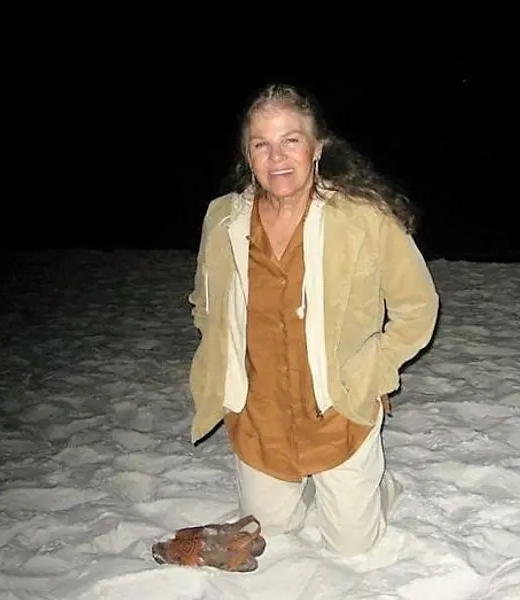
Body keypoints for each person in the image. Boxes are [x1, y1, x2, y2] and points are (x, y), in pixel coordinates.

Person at [186, 83, 439, 557]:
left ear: (317, 147)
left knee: (352, 546)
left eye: (291, 140)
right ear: (247, 153)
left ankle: (375, 488)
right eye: (261, 143)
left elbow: (418, 307)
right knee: (274, 533)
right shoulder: (222, 219)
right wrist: (226, 369)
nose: (276, 157)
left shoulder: (362, 216)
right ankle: (298, 488)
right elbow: (205, 304)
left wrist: (369, 373)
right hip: (261, 420)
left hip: (338, 413)